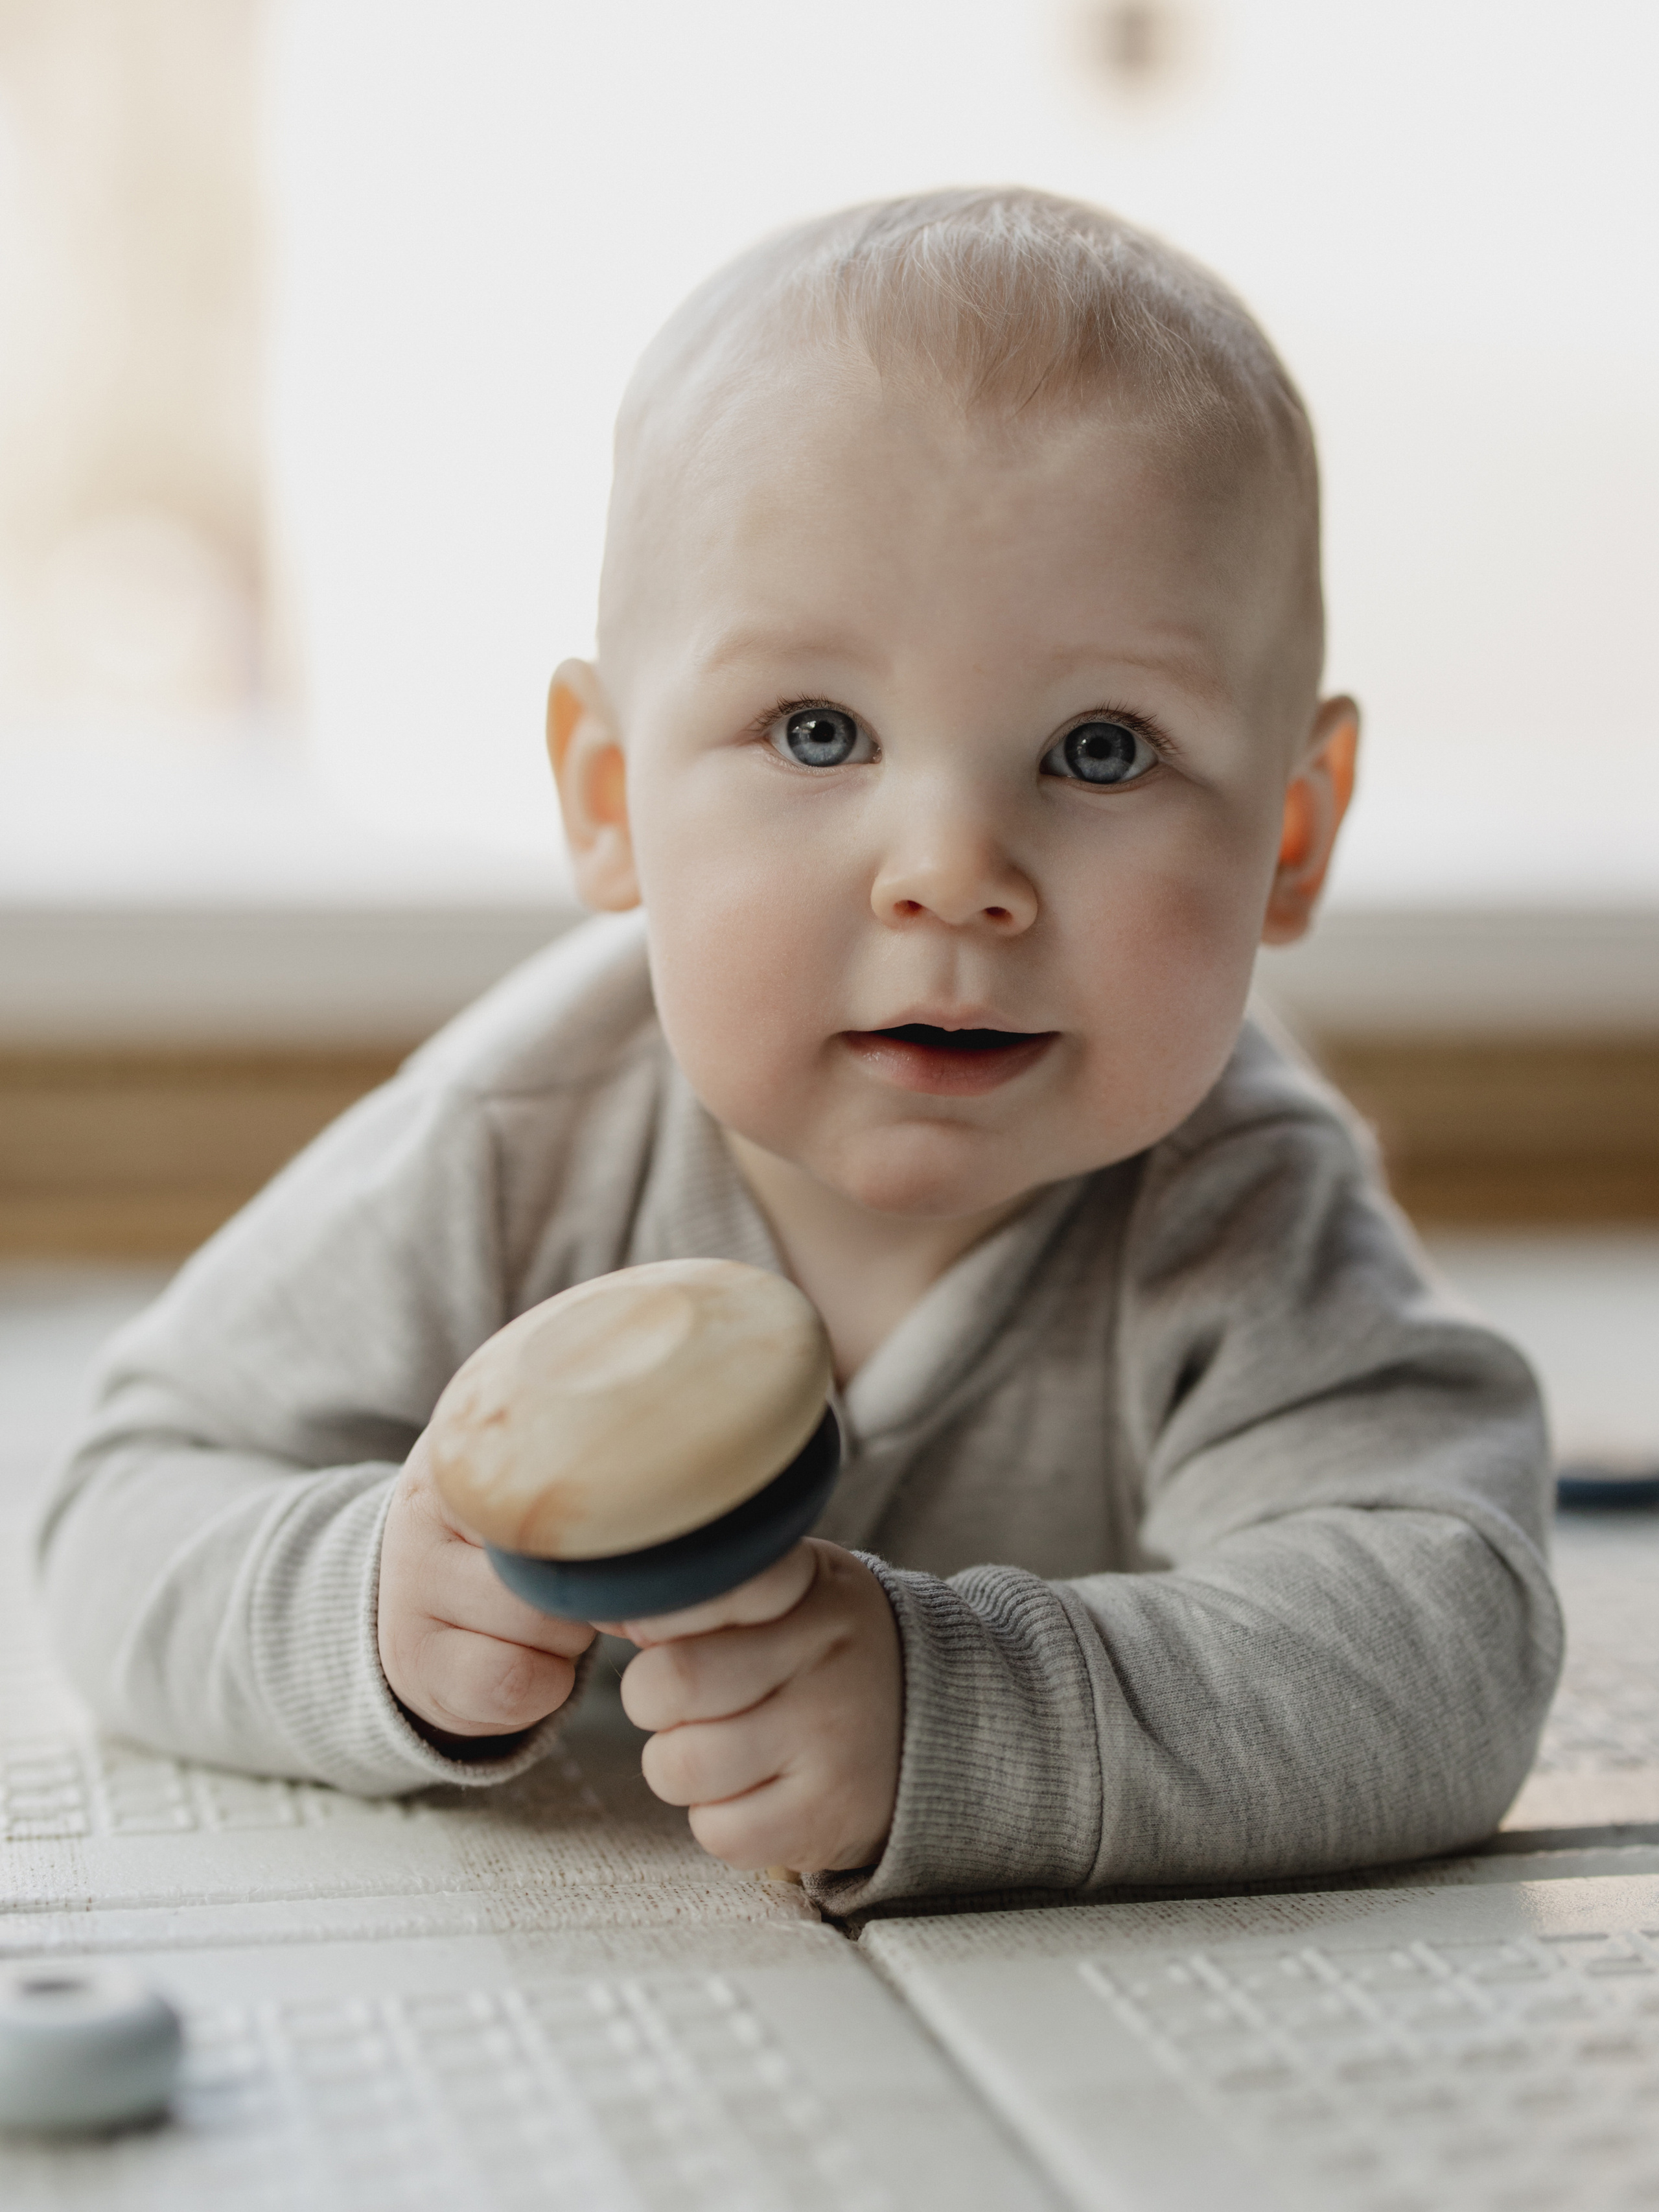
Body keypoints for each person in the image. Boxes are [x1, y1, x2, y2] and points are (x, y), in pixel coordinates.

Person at [36, 190, 1562, 1911]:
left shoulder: (1242, 1209)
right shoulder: (514, 1138)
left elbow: (1454, 1643)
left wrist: (961, 1718)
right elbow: (119, 1507)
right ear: (612, 797)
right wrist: (366, 1609)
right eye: (820, 732)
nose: (953, 873)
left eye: (1103, 749)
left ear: (1290, 837)